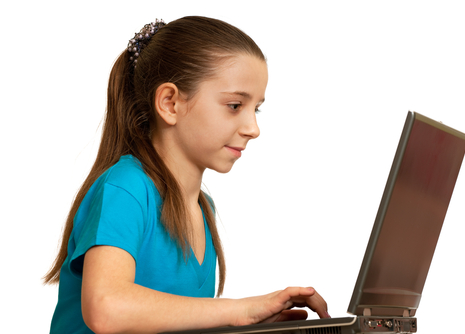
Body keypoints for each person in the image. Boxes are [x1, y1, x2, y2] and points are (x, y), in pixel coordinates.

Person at [44, 16, 329, 334]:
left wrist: (249, 323)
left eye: (256, 108)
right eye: (235, 105)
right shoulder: (126, 188)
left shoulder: (202, 207)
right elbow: (106, 309)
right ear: (170, 103)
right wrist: (236, 311)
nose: (253, 128)